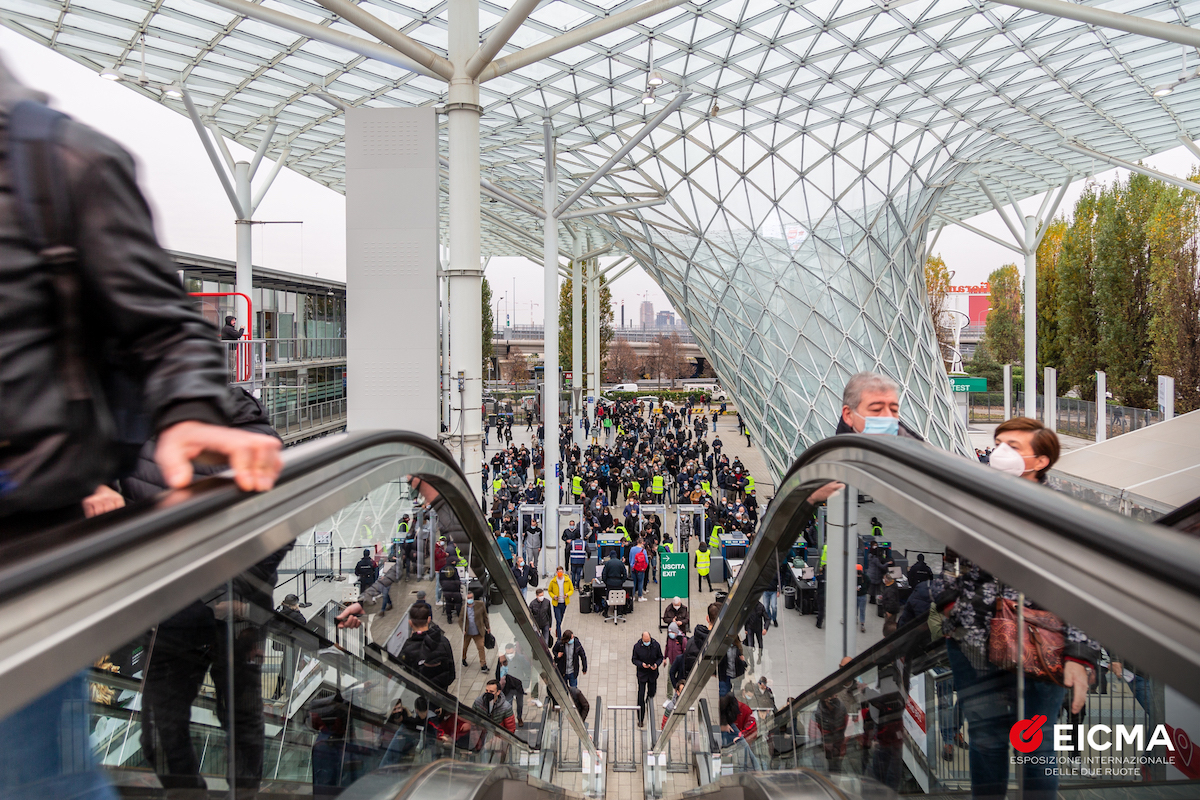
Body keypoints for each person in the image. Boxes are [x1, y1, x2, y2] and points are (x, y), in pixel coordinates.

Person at [935, 416, 1096, 800]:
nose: (1000, 451)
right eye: (999, 442)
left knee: (1036, 747)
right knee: (986, 742)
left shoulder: (1065, 514)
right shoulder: (974, 502)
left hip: (1042, 648)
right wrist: (952, 606)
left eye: (1014, 446)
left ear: (1040, 461)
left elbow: (1086, 588)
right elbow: (949, 565)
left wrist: (1080, 656)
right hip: (974, 647)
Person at [396, 604, 456, 690]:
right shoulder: (443, 641)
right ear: (429, 619)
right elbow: (451, 674)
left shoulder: (407, 649)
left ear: (410, 622)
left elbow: (404, 677)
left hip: (420, 696)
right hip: (441, 694)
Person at [632, 631, 664, 728]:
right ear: (642, 639)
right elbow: (634, 659)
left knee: (652, 692)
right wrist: (641, 664)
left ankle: (648, 700)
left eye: (648, 640)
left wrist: (656, 665)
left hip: (652, 674)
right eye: (645, 641)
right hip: (642, 674)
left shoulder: (656, 645)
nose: (647, 642)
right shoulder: (637, 647)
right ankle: (640, 719)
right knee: (640, 695)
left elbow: (660, 657)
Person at [495, 645, 529, 728]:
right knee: (508, 705)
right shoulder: (502, 660)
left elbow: (527, 670)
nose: (509, 654)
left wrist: (526, 684)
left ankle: (519, 717)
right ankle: (510, 720)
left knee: (520, 704)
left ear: (514, 650)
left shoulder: (520, 658)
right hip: (508, 687)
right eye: (507, 652)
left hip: (518, 686)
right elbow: (497, 672)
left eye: (511, 652)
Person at [460, 587, 491, 672]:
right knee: (465, 647)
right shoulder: (464, 608)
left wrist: (488, 627)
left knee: (481, 647)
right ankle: (463, 658)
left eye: (471, 598)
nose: (470, 599)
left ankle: (483, 665)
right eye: (468, 598)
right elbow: (461, 620)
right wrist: (463, 629)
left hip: (478, 631)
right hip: (468, 632)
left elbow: (485, 617)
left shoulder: (480, 605)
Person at [548, 566, 574, 639]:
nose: (560, 573)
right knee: (558, 620)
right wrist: (553, 596)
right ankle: (559, 637)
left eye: (561, 572)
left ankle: (557, 629)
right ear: (556, 572)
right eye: (558, 572)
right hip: (556, 604)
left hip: (564, 603)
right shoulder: (553, 581)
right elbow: (549, 590)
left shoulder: (567, 580)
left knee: (561, 618)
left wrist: (567, 594)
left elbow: (571, 589)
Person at [629, 537, 651, 601]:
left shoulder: (632, 549)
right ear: (642, 543)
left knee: (633, 582)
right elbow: (646, 560)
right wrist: (645, 568)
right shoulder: (643, 550)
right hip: (640, 569)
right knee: (640, 582)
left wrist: (632, 565)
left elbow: (630, 558)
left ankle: (632, 596)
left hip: (633, 568)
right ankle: (640, 597)